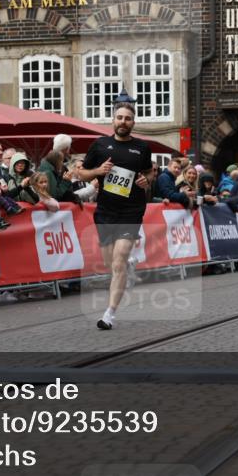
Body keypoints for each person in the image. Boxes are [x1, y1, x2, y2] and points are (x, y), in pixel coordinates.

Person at [77, 99, 153, 330]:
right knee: (110, 263)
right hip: (106, 211)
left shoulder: (141, 147)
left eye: (127, 118)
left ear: (133, 122)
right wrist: (98, 171)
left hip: (131, 210)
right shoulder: (100, 145)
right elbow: (81, 173)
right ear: (113, 120)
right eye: (119, 118)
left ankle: (109, 314)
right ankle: (127, 264)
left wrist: (146, 181)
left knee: (118, 261)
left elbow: (149, 173)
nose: (123, 122)